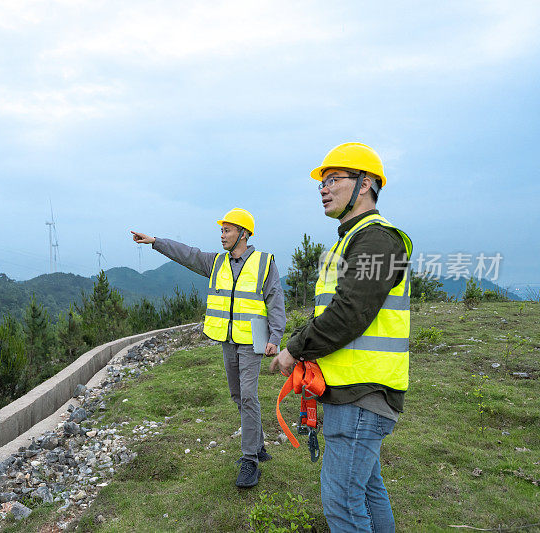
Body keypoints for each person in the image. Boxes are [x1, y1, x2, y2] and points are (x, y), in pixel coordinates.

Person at [269, 142, 412, 532]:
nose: (323, 188)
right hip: (351, 394)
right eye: (322, 182)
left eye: (334, 179)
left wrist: (293, 351)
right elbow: (332, 311)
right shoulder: (349, 240)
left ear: (365, 183)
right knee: (366, 491)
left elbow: (349, 314)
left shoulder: (378, 241)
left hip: (361, 397)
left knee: (343, 503)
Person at [132, 208, 286, 488]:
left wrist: (275, 336)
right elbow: (186, 254)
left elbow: (275, 298)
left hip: (253, 342)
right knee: (238, 395)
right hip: (227, 340)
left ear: (243, 233)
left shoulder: (264, 263)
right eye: (222, 230)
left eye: (227, 230)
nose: (222, 235)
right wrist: (155, 241)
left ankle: (250, 459)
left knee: (249, 396)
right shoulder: (216, 262)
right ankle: (259, 444)